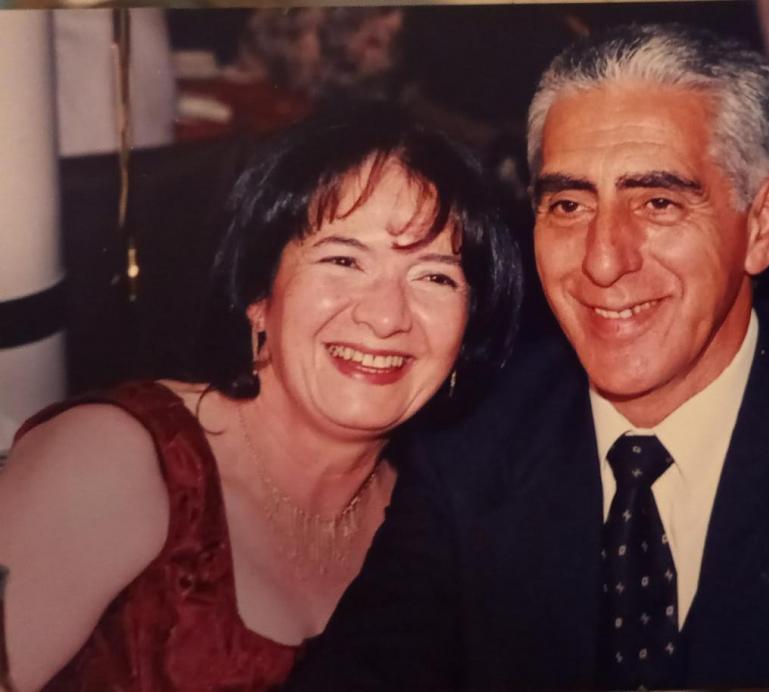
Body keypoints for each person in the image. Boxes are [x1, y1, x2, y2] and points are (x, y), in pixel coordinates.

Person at [285, 24, 769, 690]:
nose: (604, 261)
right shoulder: (472, 439)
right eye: (569, 205)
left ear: (763, 224)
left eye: (659, 202)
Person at [0, 100, 521, 691]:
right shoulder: (118, 460)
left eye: (434, 276)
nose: (385, 318)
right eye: (344, 259)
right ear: (257, 295)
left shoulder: (435, 520)